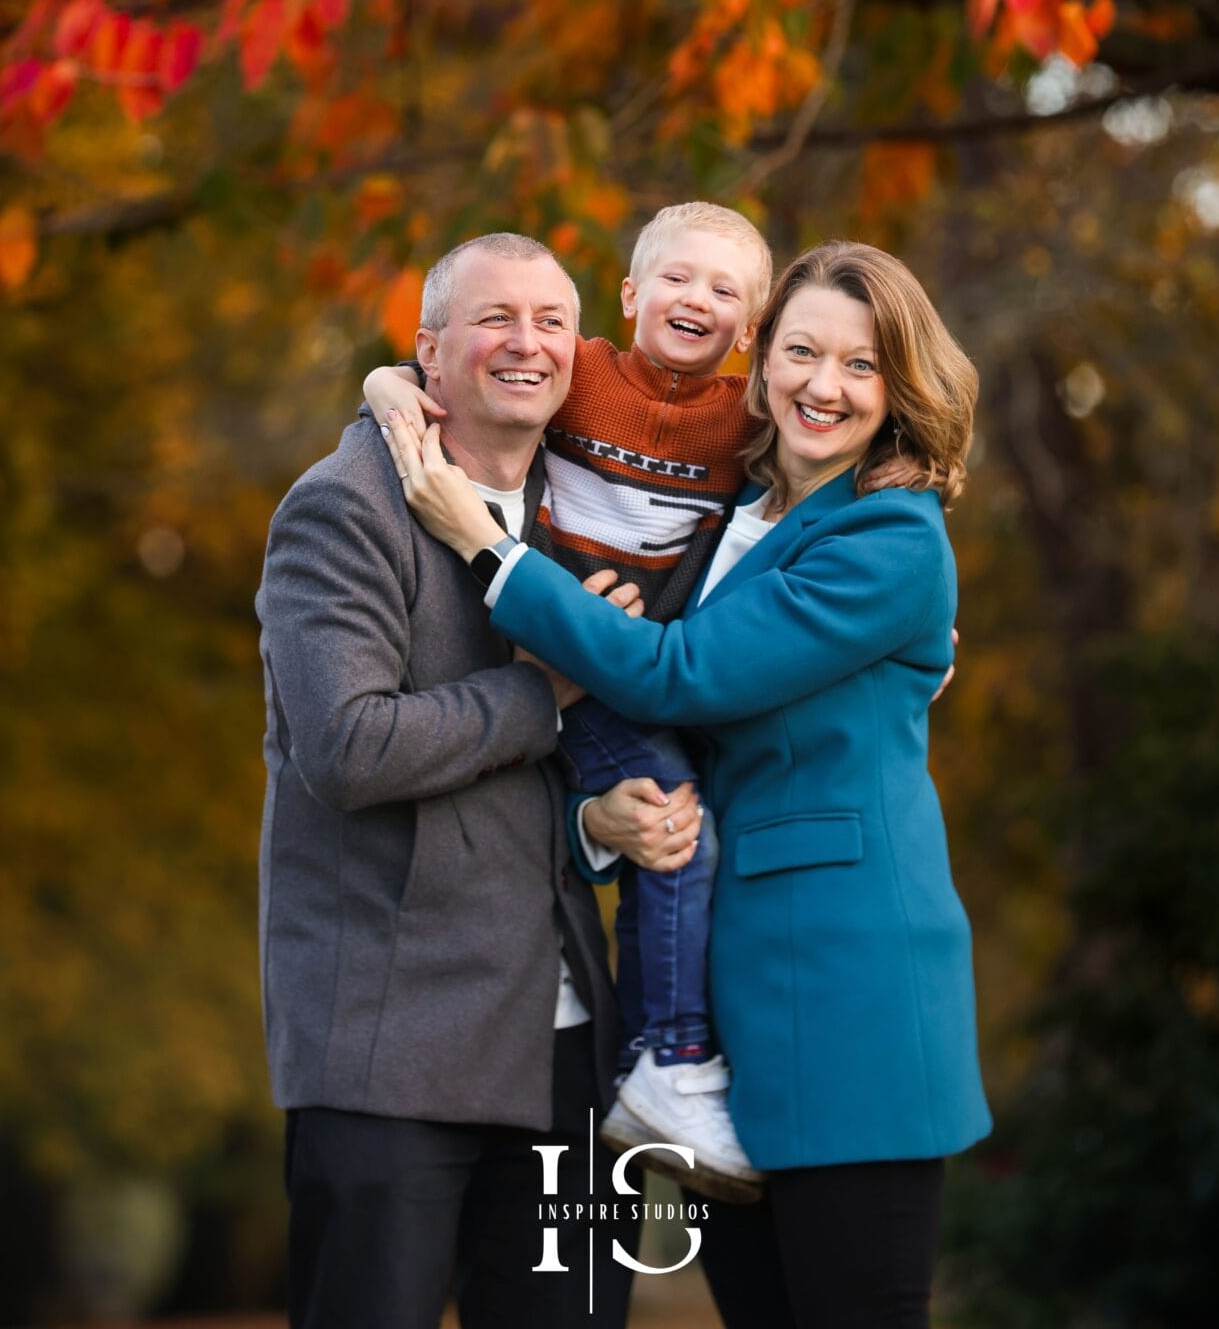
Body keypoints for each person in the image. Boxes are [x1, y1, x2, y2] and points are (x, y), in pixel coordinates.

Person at [383, 240, 993, 1329]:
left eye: (859, 366)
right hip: (717, 1010)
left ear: (899, 385)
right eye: (800, 352)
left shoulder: (889, 538)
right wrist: (596, 825)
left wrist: (490, 551)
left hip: (844, 983)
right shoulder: (736, 509)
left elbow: (683, 676)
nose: (822, 384)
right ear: (757, 364)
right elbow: (671, 734)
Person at [256, 232, 700, 1329]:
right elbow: (348, 749)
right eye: (494, 319)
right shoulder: (343, 507)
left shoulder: (585, 509)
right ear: (427, 351)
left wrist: (897, 640)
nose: (527, 343)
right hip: (386, 1054)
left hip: (560, 1058)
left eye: (552, 322)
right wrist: (541, 693)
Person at [365, 203, 773, 1198]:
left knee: (673, 841)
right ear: (630, 295)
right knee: (681, 828)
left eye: (725, 292)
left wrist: (916, 610)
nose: (697, 301)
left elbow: (838, 457)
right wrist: (389, 383)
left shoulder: (746, 419)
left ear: (750, 329)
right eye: (676, 279)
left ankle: (657, 1050)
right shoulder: (577, 371)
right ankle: (669, 1060)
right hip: (553, 646)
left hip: (644, 667)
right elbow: (446, 373)